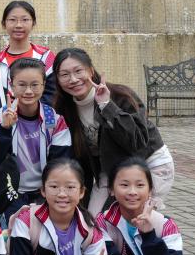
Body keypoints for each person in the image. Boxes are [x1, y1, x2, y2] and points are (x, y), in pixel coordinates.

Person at [53, 47, 174, 211]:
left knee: (136, 218)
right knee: (94, 219)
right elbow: (81, 158)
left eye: (78, 71)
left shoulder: (120, 95)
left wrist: (106, 106)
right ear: (57, 79)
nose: (73, 79)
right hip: (111, 170)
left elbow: (137, 142)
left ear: (90, 70)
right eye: (65, 74)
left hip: (149, 163)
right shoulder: (64, 108)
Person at [0, 57, 72, 219]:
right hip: (9, 193)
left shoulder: (54, 119)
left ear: (44, 85)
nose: (29, 91)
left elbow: (61, 164)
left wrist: (48, 194)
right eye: (22, 85)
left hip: (44, 193)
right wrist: (4, 129)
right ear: (11, 85)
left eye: (35, 85)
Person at [0, 0, 56, 109]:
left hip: (42, 119)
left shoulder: (47, 58)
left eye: (25, 20)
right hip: (2, 119)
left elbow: (52, 97)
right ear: (4, 23)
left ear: (33, 23)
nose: (18, 25)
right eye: (12, 20)